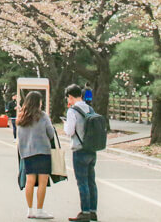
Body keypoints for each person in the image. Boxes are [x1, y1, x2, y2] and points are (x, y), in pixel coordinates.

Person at [17, 90, 55, 220]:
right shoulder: (43, 116)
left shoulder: (21, 116)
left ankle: (30, 210)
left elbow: (19, 137)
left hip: (27, 153)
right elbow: (51, 133)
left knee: (30, 181)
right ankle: (40, 210)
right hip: (43, 152)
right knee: (43, 181)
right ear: (38, 102)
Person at [64, 84, 98, 222]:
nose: (68, 101)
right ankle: (92, 211)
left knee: (82, 182)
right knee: (91, 182)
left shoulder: (72, 111)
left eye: (68, 98)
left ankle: (84, 212)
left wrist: (66, 124)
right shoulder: (90, 108)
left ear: (71, 97)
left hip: (79, 150)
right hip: (91, 149)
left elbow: (70, 131)